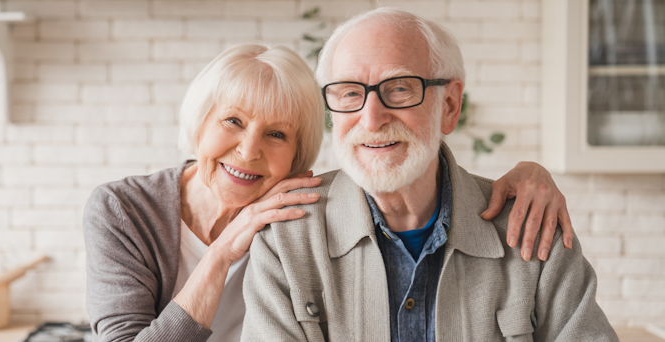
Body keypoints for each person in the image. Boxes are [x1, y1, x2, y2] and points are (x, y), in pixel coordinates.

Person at [84, 43, 576, 342]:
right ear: (199, 122)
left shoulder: (300, 211)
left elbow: (408, 177)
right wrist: (222, 253)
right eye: (232, 121)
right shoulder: (123, 210)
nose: (249, 151)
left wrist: (534, 174)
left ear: (299, 154)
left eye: (277, 135)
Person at [241, 8, 617, 342]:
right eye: (349, 93)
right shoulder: (285, 240)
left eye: (400, 88)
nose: (371, 119)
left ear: (450, 106)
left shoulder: (533, 232)